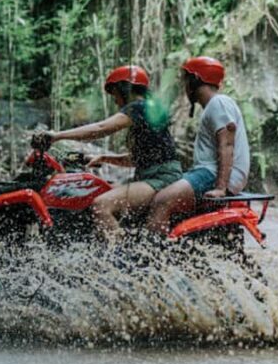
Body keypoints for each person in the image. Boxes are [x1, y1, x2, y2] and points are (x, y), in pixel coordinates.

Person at [34, 65, 181, 239]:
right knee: (100, 191)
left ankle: (117, 261)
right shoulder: (148, 110)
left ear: (125, 89)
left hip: (161, 179)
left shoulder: (139, 107)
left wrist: (56, 136)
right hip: (155, 176)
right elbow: (139, 159)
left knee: (101, 205)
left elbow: (101, 128)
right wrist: (104, 157)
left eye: (115, 94)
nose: (115, 101)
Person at [147, 56, 250, 234]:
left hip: (212, 174)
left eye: (186, 81)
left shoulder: (218, 103)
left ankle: (154, 256)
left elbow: (226, 144)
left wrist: (220, 188)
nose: (185, 87)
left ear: (195, 80)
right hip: (209, 172)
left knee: (162, 200)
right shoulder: (213, 106)